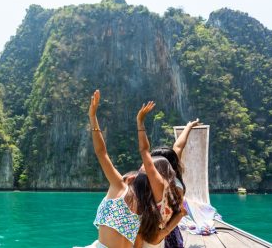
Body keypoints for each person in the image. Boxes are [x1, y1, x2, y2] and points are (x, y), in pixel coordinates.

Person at [82, 91, 174, 248]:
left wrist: (92, 116)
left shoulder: (120, 187)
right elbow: (138, 245)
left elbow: (101, 152)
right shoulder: (146, 208)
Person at [133, 101, 183, 248]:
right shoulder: (171, 192)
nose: (144, 167)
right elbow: (179, 213)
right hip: (159, 241)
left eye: (149, 167)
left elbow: (144, 150)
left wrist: (140, 122)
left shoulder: (157, 192)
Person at [151, 118, 201, 248]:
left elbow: (177, 213)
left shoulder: (173, 186)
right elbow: (178, 146)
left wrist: (164, 232)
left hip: (165, 230)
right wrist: (189, 126)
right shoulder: (170, 175)